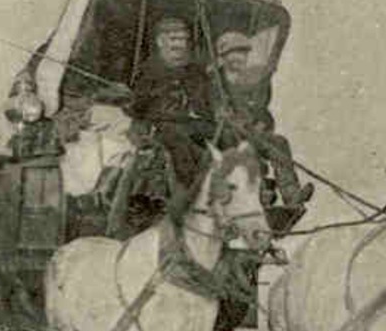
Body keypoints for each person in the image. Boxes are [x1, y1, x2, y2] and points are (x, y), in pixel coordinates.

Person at [212, 30, 313, 207]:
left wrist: (262, 124)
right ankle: (259, 196)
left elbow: (262, 112)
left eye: (244, 53)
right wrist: (227, 118)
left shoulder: (251, 81)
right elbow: (211, 109)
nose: (240, 58)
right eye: (235, 53)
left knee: (279, 143)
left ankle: (291, 194)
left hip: (250, 132)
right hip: (222, 133)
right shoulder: (213, 81)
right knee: (243, 149)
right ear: (223, 55)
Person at [130, 16, 215, 193]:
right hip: (165, 126)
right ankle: (191, 192)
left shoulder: (194, 71)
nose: (181, 45)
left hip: (198, 125)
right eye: (174, 39)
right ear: (160, 42)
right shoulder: (148, 72)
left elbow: (207, 102)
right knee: (179, 141)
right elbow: (137, 108)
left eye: (184, 39)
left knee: (232, 138)